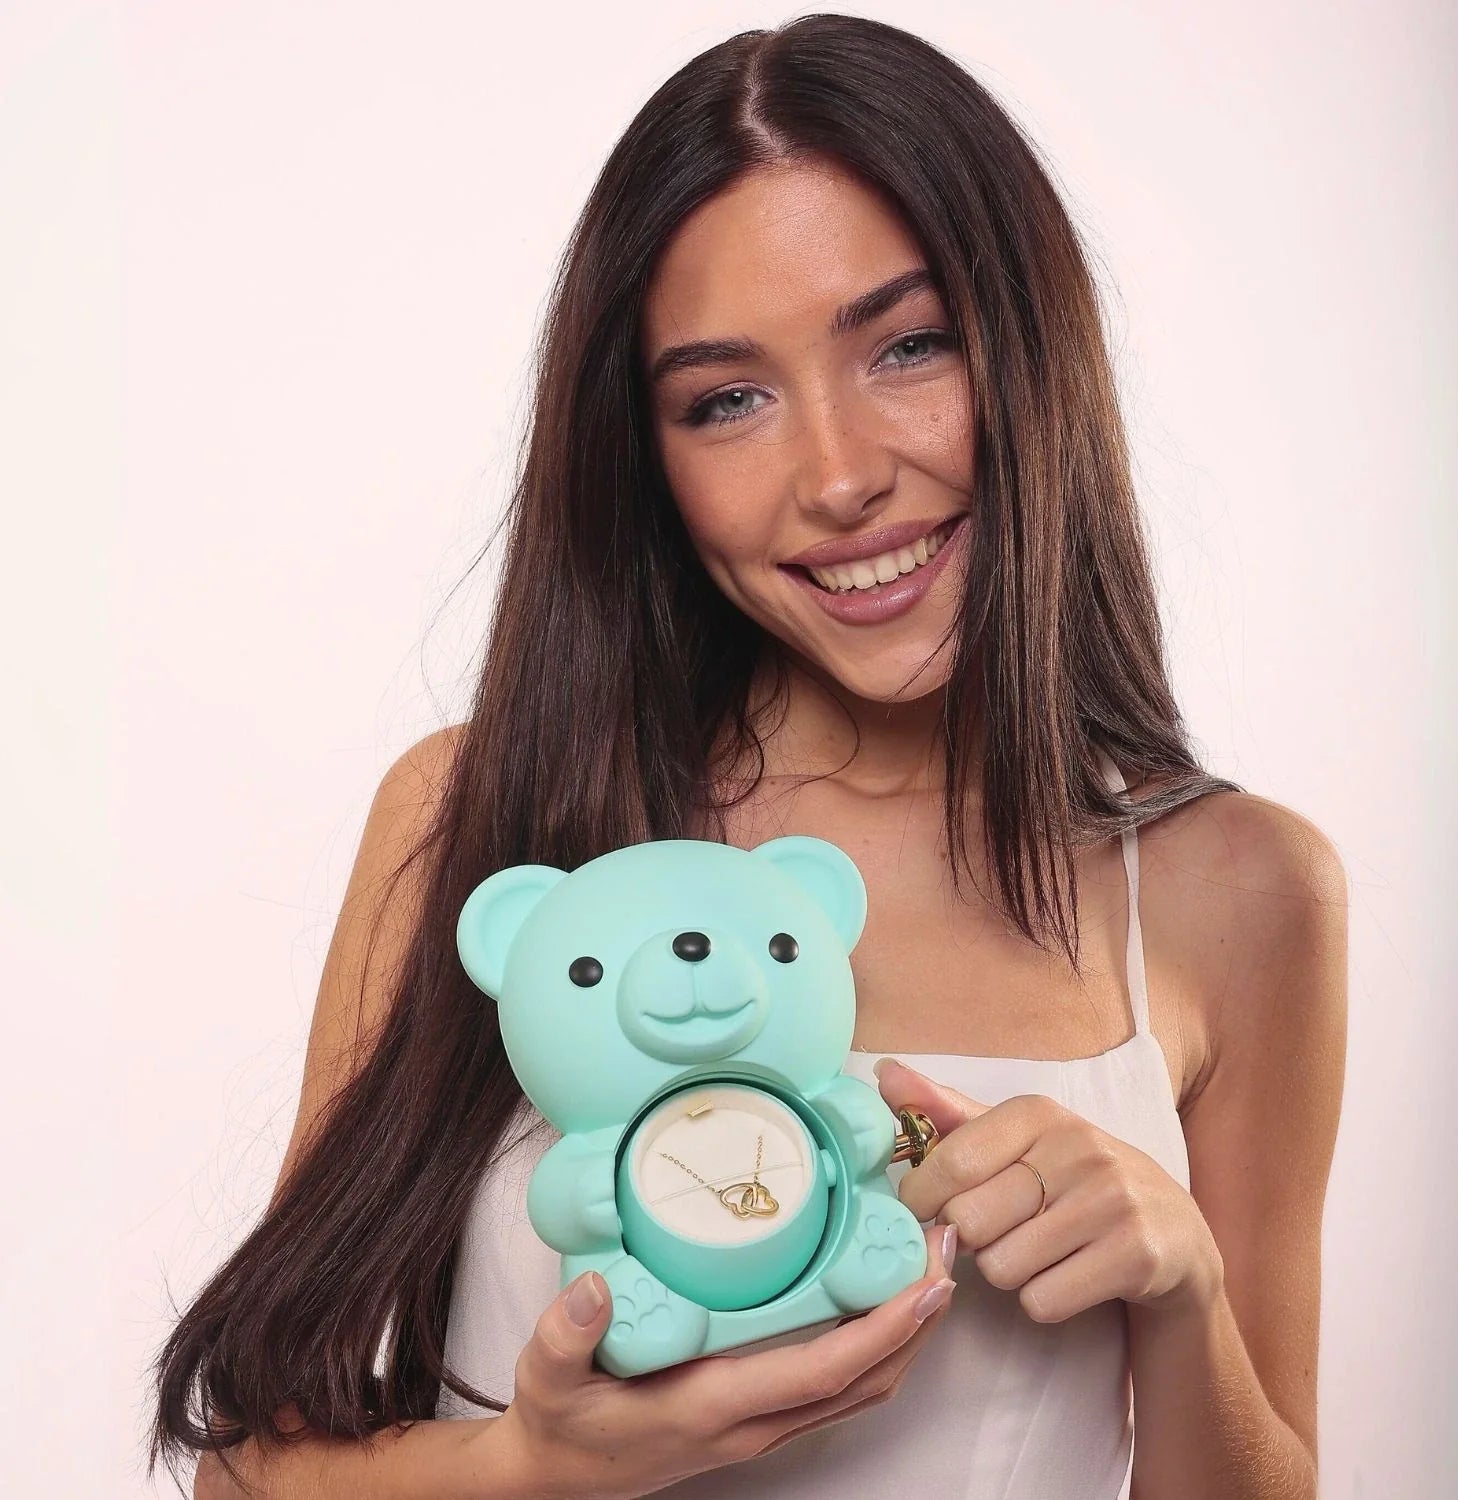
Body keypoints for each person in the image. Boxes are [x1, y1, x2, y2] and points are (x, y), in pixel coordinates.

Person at [150, 14, 1348, 1499]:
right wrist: (540, 1465)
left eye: (908, 345)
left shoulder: (1239, 890)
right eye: (728, 400)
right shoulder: (475, 814)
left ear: (1033, 345)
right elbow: (245, 1474)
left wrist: (1181, 1294)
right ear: (643, 455)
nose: (840, 479)